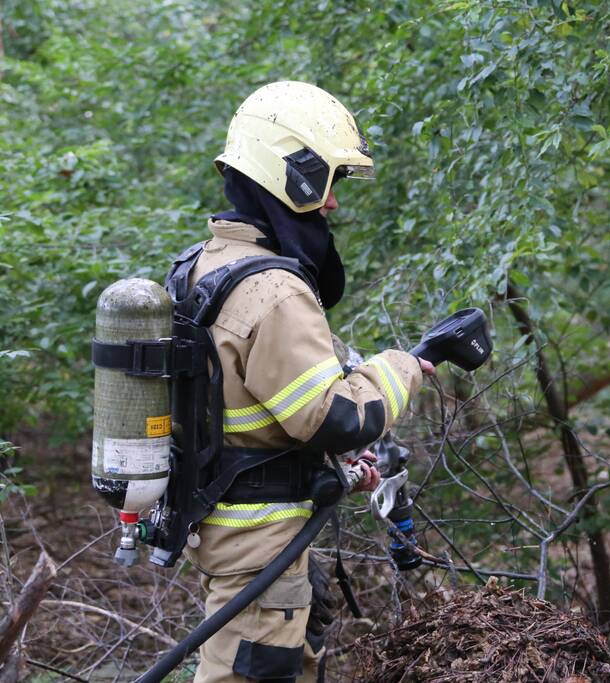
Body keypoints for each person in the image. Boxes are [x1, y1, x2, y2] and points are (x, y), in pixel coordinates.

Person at [181, 81, 432, 683]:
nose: (331, 205)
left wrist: (331, 465)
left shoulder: (205, 263)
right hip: (258, 543)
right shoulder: (274, 290)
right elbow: (332, 416)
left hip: (233, 528)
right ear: (288, 175)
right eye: (326, 184)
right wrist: (400, 368)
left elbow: (255, 407)